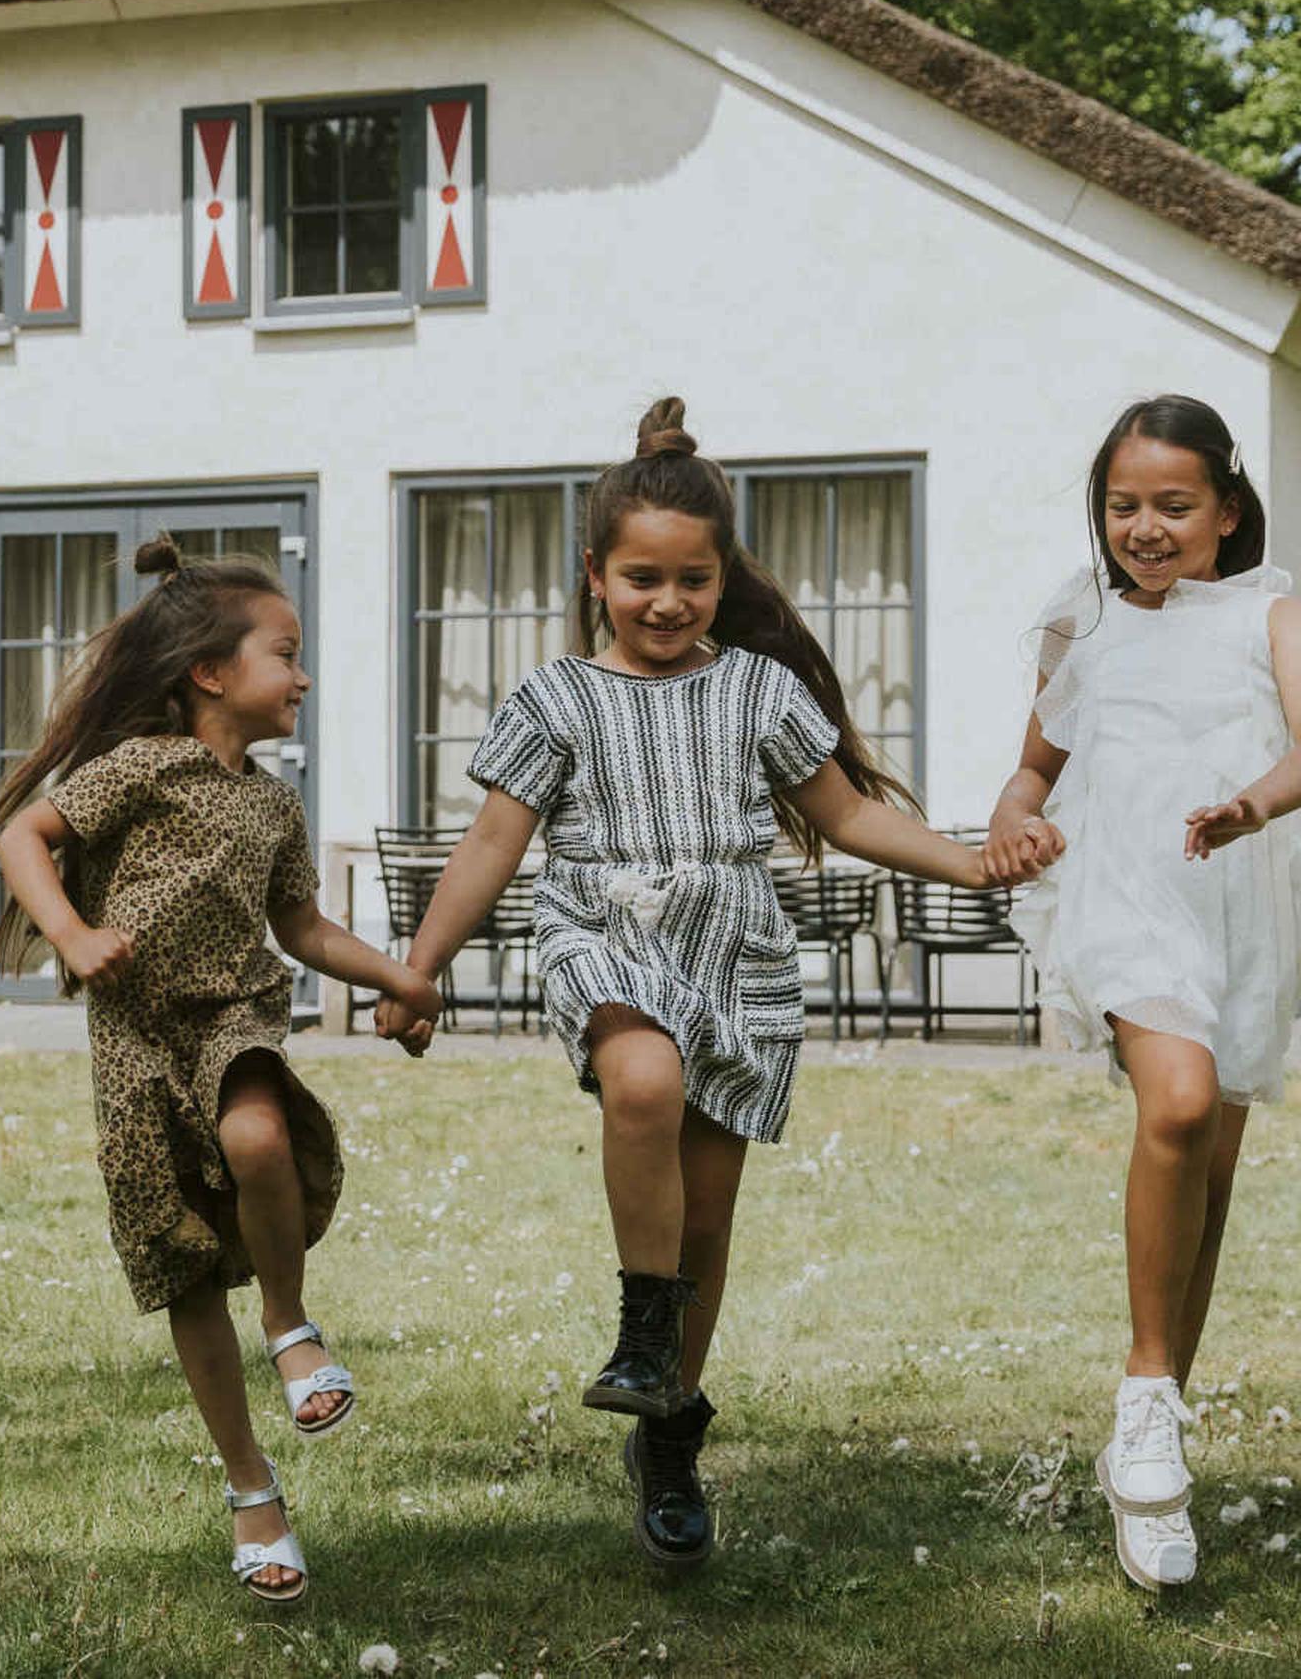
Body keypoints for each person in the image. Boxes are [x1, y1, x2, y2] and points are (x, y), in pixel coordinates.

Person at [391, 397, 991, 1569]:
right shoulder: (555, 699)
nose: (668, 601)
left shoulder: (760, 691)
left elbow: (848, 813)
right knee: (644, 1078)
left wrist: (971, 859)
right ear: (596, 574)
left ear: (723, 577)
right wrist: (418, 969)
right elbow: (490, 848)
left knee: (706, 1225)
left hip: (737, 953)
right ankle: (638, 1329)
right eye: (642, 578)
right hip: (603, 929)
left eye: (693, 579)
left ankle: (669, 1427)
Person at [0, 538, 444, 1607]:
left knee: (258, 1136)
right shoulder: (141, 767)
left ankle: (288, 1321)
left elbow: (303, 924)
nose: (304, 675)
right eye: (285, 652)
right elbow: (22, 837)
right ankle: (252, 1488)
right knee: (187, 1261)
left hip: (232, 1015)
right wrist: (72, 931)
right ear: (210, 672)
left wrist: (403, 976)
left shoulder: (276, 806)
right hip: (137, 1043)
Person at [979, 393, 1301, 1593]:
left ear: (1226, 510)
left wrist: (1254, 800)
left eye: (1173, 504)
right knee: (1178, 1108)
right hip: (1127, 895)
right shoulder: (1079, 628)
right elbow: (1031, 774)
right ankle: (1147, 1392)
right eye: (1123, 503)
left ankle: (1155, 1447)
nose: (1145, 525)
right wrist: (1015, 826)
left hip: (1237, 899)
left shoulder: (1271, 611)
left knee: (1212, 1168)